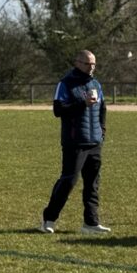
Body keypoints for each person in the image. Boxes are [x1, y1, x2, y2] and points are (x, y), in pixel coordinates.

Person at [39, 50, 111, 235]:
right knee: (69, 181)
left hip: (94, 142)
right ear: (77, 63)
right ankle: (49, 219)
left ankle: (91, 223)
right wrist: (83, 104)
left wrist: (102, 131)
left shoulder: (95, 83)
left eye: (94, 64)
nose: (92, 67)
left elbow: (102, 108)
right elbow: (58, 110)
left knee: (92, 184)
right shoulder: (66, 83)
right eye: (88, 64)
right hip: (75, 141)